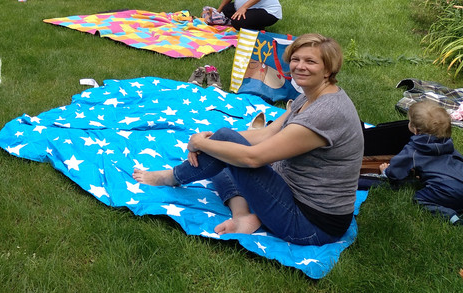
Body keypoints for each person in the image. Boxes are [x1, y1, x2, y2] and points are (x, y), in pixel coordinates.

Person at [134, 33, 364, 246]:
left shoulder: (326, 113)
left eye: (311, 62)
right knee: (222, 150)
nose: (300, 66)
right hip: (291, 192)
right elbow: (267, 133)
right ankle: (243, 216)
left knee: (227, 150)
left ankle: (170, 178)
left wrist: (201, 143)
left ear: (328, 69)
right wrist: (213, 141)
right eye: (295, 59)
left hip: (309, 225)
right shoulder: (311, 95)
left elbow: (253, 158)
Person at [379, 101, 463, 224]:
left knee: (420, 199)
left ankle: (451, 217)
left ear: (416, 131)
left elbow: (397, 170)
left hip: (447, 190)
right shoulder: (447, 142)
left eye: (410, 121)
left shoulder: (414, 150)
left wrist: (386, 171)